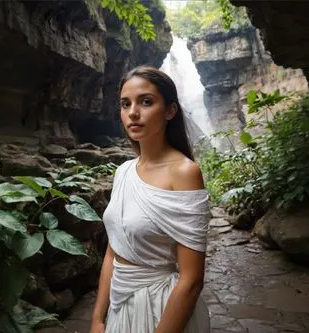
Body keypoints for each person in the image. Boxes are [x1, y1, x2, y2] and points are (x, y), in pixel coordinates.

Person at [90, 66, 211, 333]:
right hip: (120, 307)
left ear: (169, 111)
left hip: (159, 308)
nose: (133, 112)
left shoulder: (184, 173)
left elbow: (191, 280)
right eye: (125, 104)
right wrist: (98, 319)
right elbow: (113, 251)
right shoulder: (123, 172)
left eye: (146, 102)